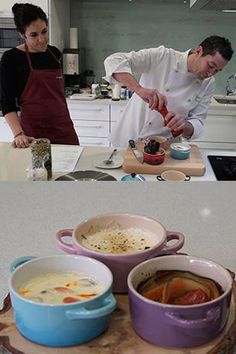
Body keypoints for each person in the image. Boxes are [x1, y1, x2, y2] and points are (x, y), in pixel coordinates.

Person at [104, 35, 233, 147]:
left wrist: (184, 125)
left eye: (217, 71)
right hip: (130, 138)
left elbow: (198, 122)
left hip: (165, 147)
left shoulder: (208, 84)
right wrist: (139, 89)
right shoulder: (163, 57)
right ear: (199, 51)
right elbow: (114, 60)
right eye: (210, 66)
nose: (211, 73)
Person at [0, 3, 79, 148]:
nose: (42, 39)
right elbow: (6, 103)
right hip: (33, 135)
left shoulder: (54, 54)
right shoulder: (12, 58)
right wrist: (18, 134)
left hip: (65, 131)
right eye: (34, 35)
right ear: (22, 34)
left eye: (44, 31)